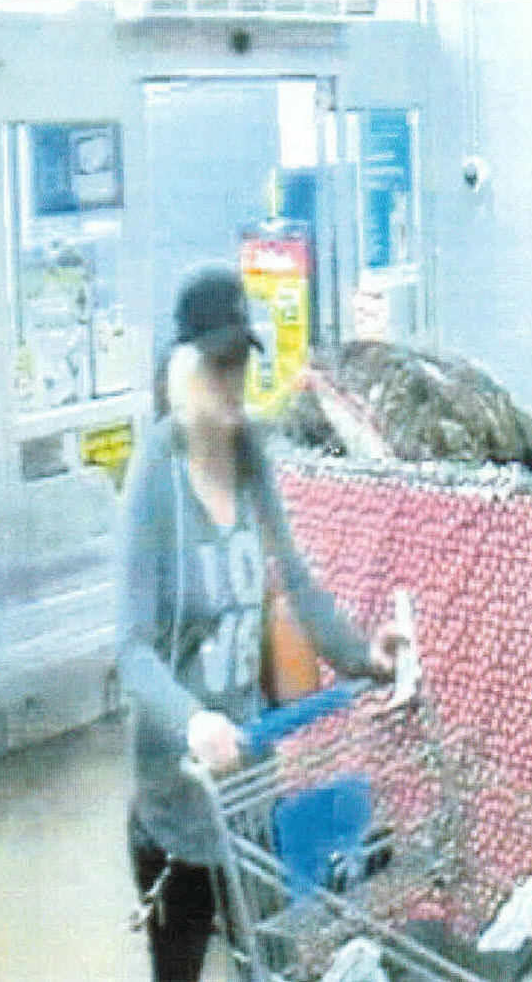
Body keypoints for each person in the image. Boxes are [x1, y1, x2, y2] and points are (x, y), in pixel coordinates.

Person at [117, 263, 404, 982]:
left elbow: (297, 582)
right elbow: (132, 651)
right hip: (177, 800)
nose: (233, 382)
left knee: (270, 962)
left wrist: (363, 656)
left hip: (248, 787)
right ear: (182, 372)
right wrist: (191, 722)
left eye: (241, 363)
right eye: (217, 366)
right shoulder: (155, 474)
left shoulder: (251, 457)